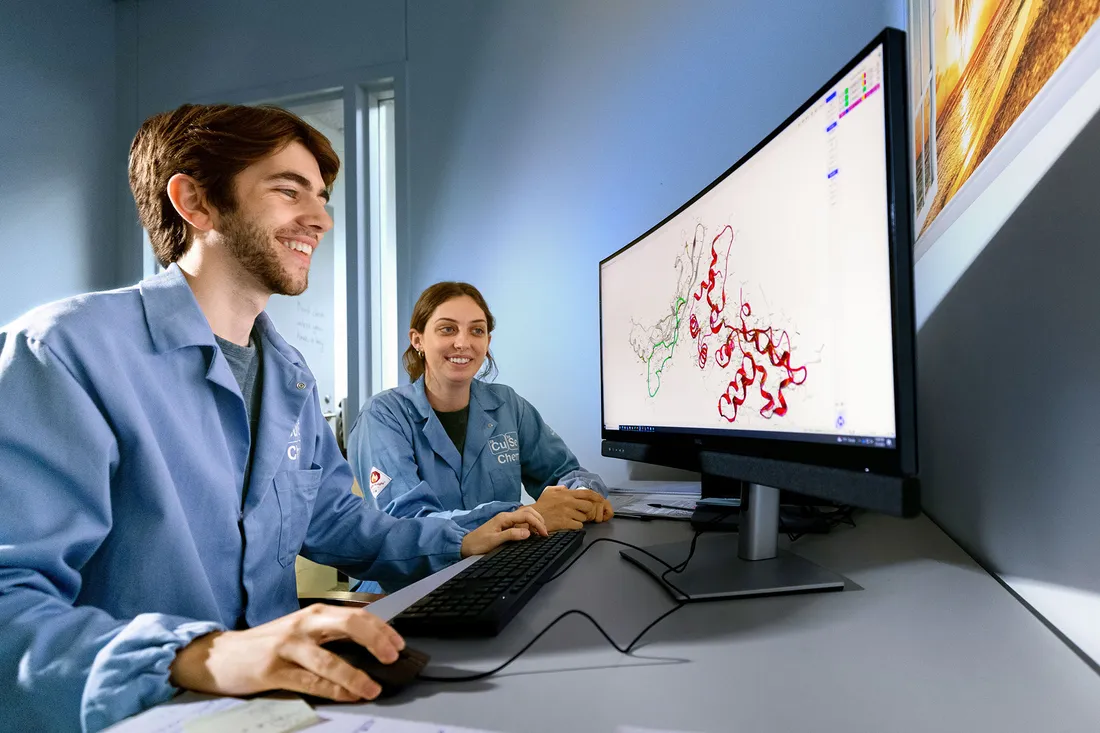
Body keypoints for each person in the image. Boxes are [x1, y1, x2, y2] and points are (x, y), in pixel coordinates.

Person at [0, 104, 546, 733]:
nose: (320, 218)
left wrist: (461, 539)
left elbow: (340, 524)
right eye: (289, 191)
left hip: (281, 713)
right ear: (196, 203)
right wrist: (201, 655)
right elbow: (11, 605)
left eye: (321, 196)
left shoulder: (290, 376)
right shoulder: (66, 353)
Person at [348, 281, 614, 545]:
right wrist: (521, 516)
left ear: (487, 342)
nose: (463, 343)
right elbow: (407, 524)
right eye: (448, 329)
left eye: (476, 330)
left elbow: (564, 471)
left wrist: (581, 498)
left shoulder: (507, 405)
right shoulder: (383, 416)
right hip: (411, 582)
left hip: (498, 565)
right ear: (418, 340)